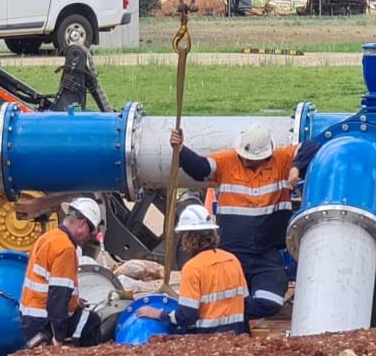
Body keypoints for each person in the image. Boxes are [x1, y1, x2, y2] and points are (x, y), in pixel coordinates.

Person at [170, 124, 318, 319]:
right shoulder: (228, 161)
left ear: (267, 155)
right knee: (218, 294)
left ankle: (225, 314)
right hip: (232, 254)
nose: (246, 161)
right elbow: (200, 168)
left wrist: (295, 168)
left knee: (270, 302)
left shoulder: (282, 159)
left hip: (266, 253)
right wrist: (181, 150)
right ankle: (226, 317)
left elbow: (312, 146)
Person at [135, 204, 249, 336]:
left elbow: (186, 316)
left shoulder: (193, 268)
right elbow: (245, 302)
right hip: (237, 338)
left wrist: (159, 314)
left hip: (207, 340)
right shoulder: (232, 260)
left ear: (188, 238)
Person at [20, 197, 103, 348]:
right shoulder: (65, 248)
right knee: (92, 322)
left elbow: (48, 284)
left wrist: (75, 303)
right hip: (43, 322)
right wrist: (58, 336)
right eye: (89, 232)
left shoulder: (49, 238)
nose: (87, 238)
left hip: (30, 317)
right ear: (82, 224)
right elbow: (58, 295)